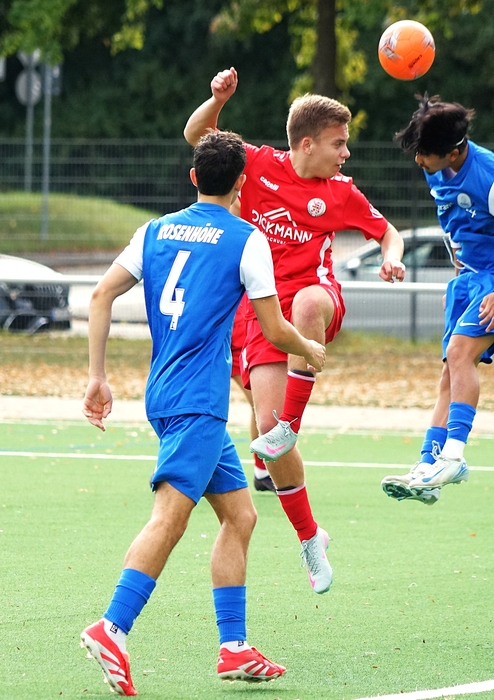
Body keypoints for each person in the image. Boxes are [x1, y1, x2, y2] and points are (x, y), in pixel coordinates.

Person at [79, 130, 326, 696]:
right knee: (170, 517)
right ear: (243, 182)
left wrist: (97, 377)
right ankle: (112, 627)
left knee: (240, 516)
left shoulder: (154, 230)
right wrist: (308, 349)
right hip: (197, 403)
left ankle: (233, 647)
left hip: (168, 394)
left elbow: (99, 297)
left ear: (194, 177)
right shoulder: (248, 240)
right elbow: (273, 329)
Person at [184, 67, 406, 594]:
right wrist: (215, 99)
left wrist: (391, 259)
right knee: (267, 434)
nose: (345, 153)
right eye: (338, 143)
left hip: (314, 297)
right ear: (306, 144)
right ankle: (311, 537)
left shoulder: (341, 192)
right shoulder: (258, 164)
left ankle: (290, 424)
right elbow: (197, 136)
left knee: (306, 305)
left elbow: (387, 231)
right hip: (261, 314)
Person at [380, 94, 494, 505]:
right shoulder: (434, 165)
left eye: (425, 154)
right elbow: (459, 223)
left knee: (458, 355)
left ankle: (454, 456)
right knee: (450, 373)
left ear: (454, 152)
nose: (418, 161)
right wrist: (462, 282)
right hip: (471, 280)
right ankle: (428, 465)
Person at [230, 293, 276, 492]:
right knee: (200, 407)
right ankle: (171, 463)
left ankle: (262, 472)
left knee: (260, 406)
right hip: (220, 338)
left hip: (243, 338)